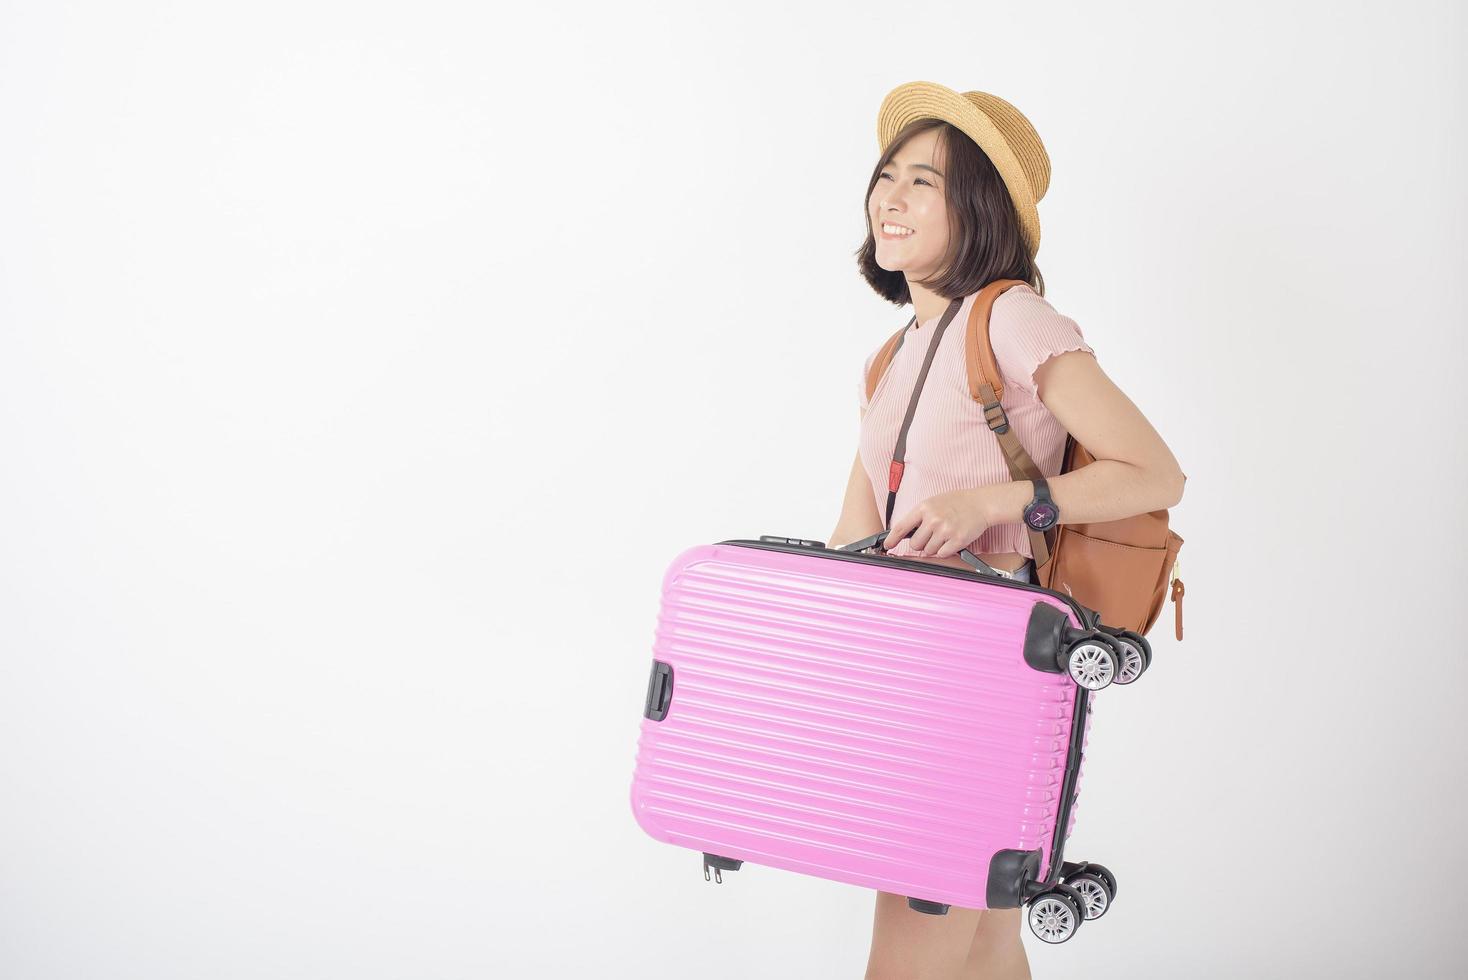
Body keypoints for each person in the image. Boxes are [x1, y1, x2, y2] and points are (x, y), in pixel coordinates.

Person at [828, 82, 1187, 980]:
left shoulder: (1012, 319)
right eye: (887, 176)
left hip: (986, 672)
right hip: (913, 672)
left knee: (912, 951)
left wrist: (990, 506)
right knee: (984, 941)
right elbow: (850, 538)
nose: (891, 198)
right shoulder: (891, 357)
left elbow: (1153, 472)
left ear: (979, 208)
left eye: (925, 183)